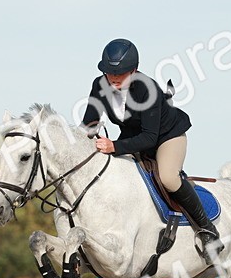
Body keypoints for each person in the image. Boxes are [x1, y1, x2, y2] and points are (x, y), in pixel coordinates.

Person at [80, 38, 223, 261]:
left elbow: (149, 138)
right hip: (133, 135)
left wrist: (114, 146)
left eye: (121, 73)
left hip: (166, 136)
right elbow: (89, 123)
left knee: (167, 178)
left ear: (134, 70)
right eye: (109, 73)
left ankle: (208, 231)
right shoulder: (100, 85)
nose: (114, 78)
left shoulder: (148, 90)